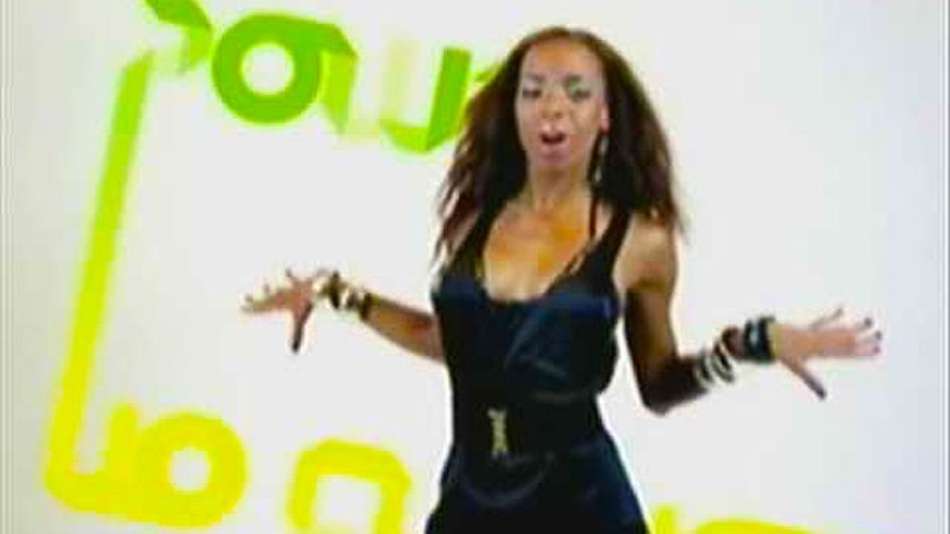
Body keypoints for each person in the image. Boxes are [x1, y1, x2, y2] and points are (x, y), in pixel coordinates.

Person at [242, 26, 881, 533]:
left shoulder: (640, 240)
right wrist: (337, 293)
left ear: (605, 116)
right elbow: (454, 341)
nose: (553, 106)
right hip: (472, 497)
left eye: (576, 92)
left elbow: (659, 386)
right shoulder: (473, 219)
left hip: (582, 503)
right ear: (514, 109)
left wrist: (749, 346)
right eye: (534, 90)